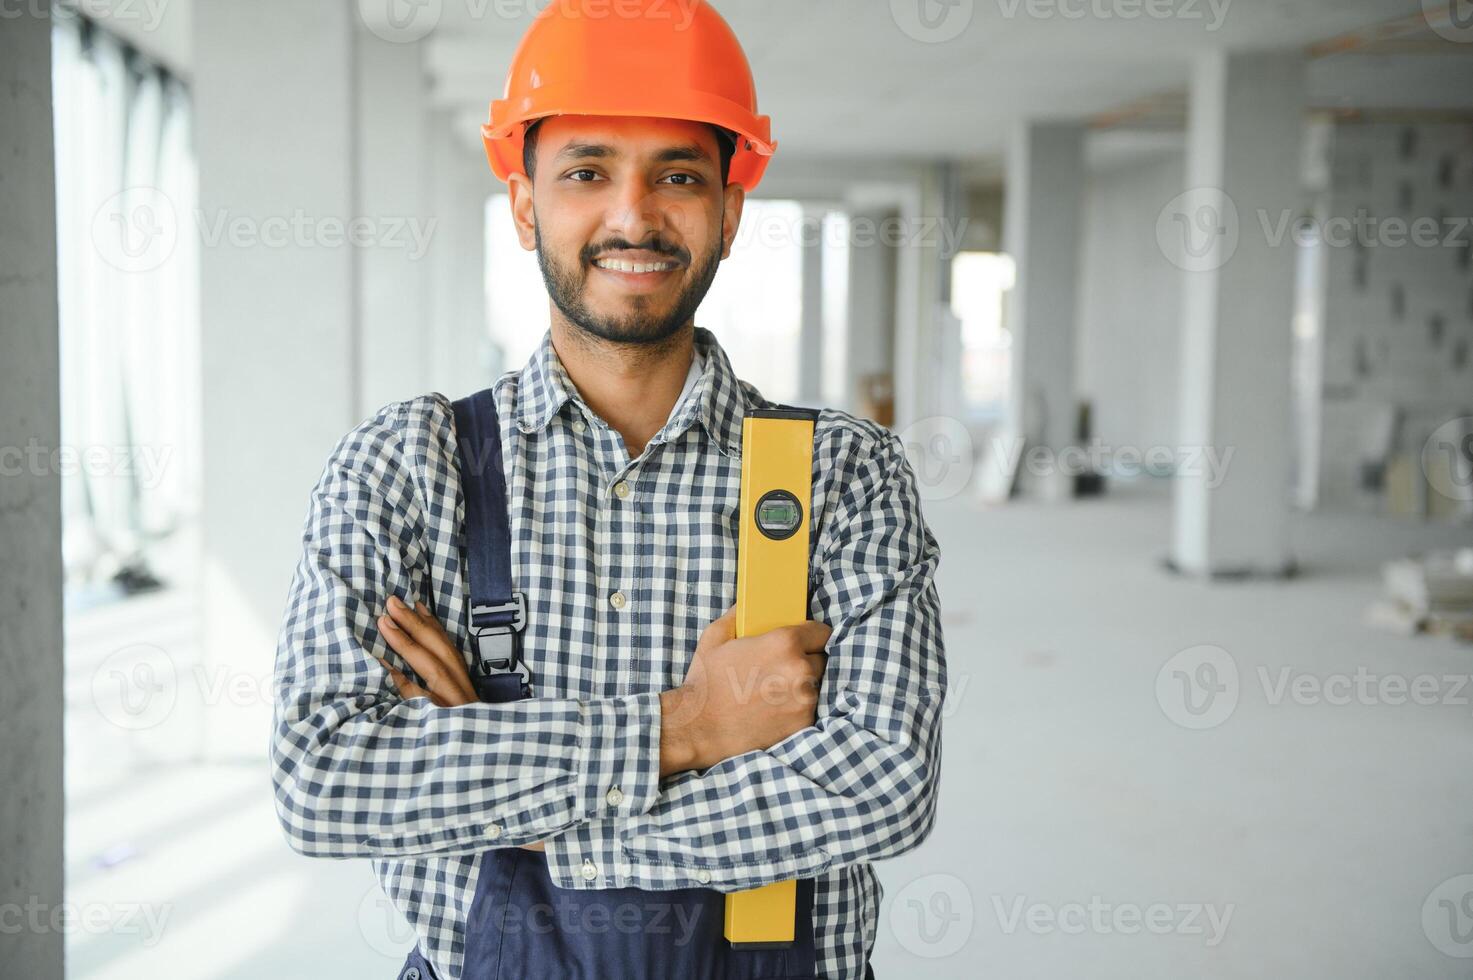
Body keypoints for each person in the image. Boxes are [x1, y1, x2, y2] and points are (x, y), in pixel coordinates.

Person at [270, 3, 946, 977]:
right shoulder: (405, 469)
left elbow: (882, 783)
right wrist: (695, 727)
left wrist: (526, 809)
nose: (634, 215)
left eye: (678, 174)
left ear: (730, 207)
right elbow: (325, 779)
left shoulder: (843, 474)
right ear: (523, 202)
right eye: (587, 171)